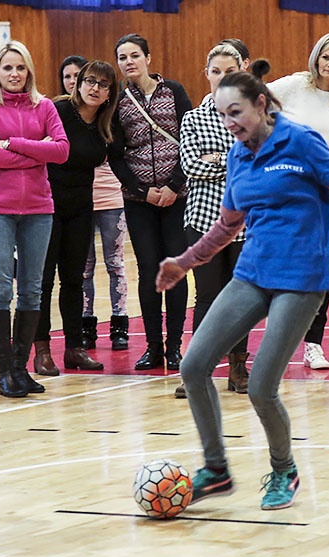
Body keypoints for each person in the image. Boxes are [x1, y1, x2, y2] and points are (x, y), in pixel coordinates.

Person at [156, 72, 329, 510]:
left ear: (262, 105)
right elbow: (226, 226)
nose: (229, 121)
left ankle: (283, 469)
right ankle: (216, 470)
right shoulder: (238, 157)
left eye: (236, 112)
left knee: (261, 388)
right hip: (253, 273)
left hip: (302, 279)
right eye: (222, 114)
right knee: (194, 367)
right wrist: (185, 261)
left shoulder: (301, 141)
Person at [0, 40, 69, 397]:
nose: (14, 74)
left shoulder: (44, 106)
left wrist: (12, 143)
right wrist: (35, 150)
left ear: (29, 71)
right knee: (0, 285)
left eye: (20, 67)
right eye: (7, 68)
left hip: (39, 208)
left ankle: (19, 368)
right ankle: (4, 371)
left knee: (31, 288)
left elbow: (61, 151)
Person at [268, 32, 329, 370]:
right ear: (316, 57)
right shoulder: (294, 86)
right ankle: (277, 341)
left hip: (326, 194)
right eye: (326, 57)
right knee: (282, 266)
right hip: (288, 190)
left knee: (321, 269)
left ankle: (313, 342)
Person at [110, 33, 192, 371]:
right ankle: (153, 347)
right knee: (148, 271)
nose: (129, 62)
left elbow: (191, 138)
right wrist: (143, 191)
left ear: (148, 58)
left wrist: (174, 184)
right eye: (122, 57)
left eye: (134, 55)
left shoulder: (173, 91)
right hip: (139, 199)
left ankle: (175, 346)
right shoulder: (116, 100)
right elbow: (114, 154)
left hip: (177, 196)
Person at [33, 61, 119, 375]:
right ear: (78, 83)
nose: (95, 88)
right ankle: (41, 350)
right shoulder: (57, 111)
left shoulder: (107, 123)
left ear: (110, 93)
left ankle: (75, 348)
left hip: (81, 208)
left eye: (103, 84)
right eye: (90, 81)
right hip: (45, 205)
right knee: (42, 282)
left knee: (75, 280)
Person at [177, 42, 250, 399]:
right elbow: (190, 166)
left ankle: (238, 367)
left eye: (229, 71)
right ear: (206, 74)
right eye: (216, 71)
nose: (222, 77)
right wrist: (232, 158)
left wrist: (217, 159)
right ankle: (198, 370)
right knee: (206, 295)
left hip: (246, 222)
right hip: (204, 220)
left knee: (242, 297)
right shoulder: (192, 118)